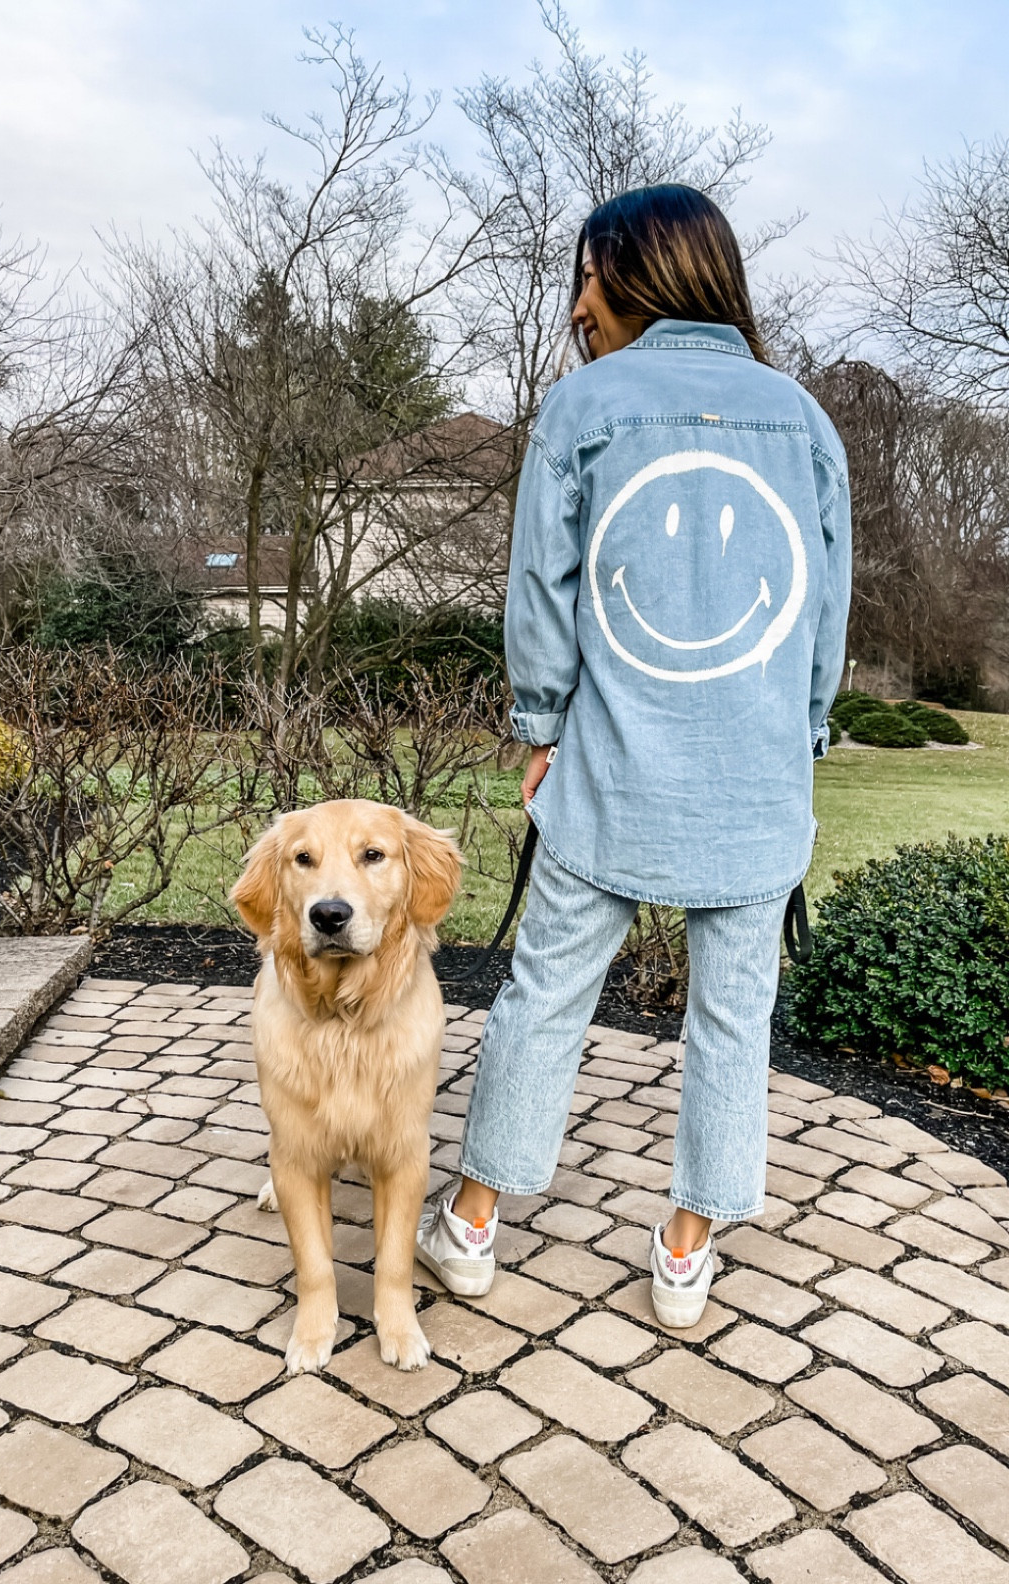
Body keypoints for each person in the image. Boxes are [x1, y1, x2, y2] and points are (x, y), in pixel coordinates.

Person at [417, 183, 851, 1327]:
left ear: (632, 269)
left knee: (546, 996)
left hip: (609, 771)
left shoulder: (587, 406)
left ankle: (468, 1226)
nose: (576, 303)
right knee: (733, 1017)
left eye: (585, 276)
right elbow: (823, 607)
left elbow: (543, 590)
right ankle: (686, 1250)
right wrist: (806, 731)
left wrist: (540, 723)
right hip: (756, 783)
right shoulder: (801, 419)